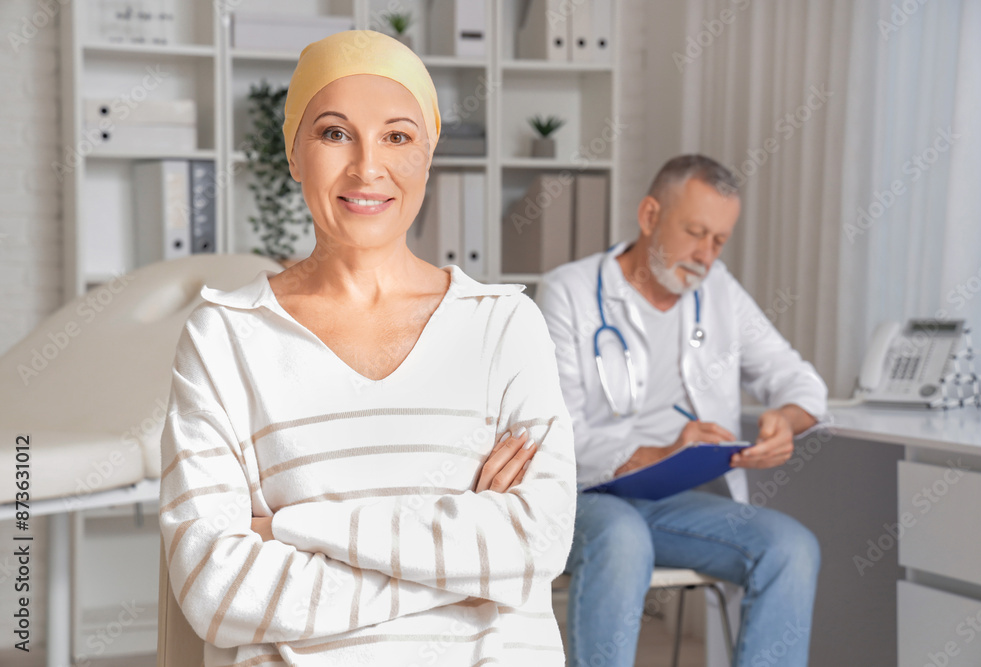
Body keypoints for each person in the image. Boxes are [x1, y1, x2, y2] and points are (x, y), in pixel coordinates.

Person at [158, 30, 576, 666]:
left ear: (428, 155)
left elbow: (537, 543)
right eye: (333, 133)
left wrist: (292, 529)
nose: (366, 167)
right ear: (294, 153)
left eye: (398, 136)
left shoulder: (504, 326)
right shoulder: (224, 336)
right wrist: (463, 572)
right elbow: (217, 591)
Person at [535, 154, 827, 667]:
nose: (705, 255)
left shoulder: (719, 292)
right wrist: (660, 451)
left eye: (719, 240)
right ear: (650, 216)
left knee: (791, 548)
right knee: (622, 538)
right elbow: (556, 434)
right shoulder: (570, 292)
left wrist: (788, 419)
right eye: (694, 232)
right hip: (587, 496)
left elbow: (800, 381)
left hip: (678, 501)